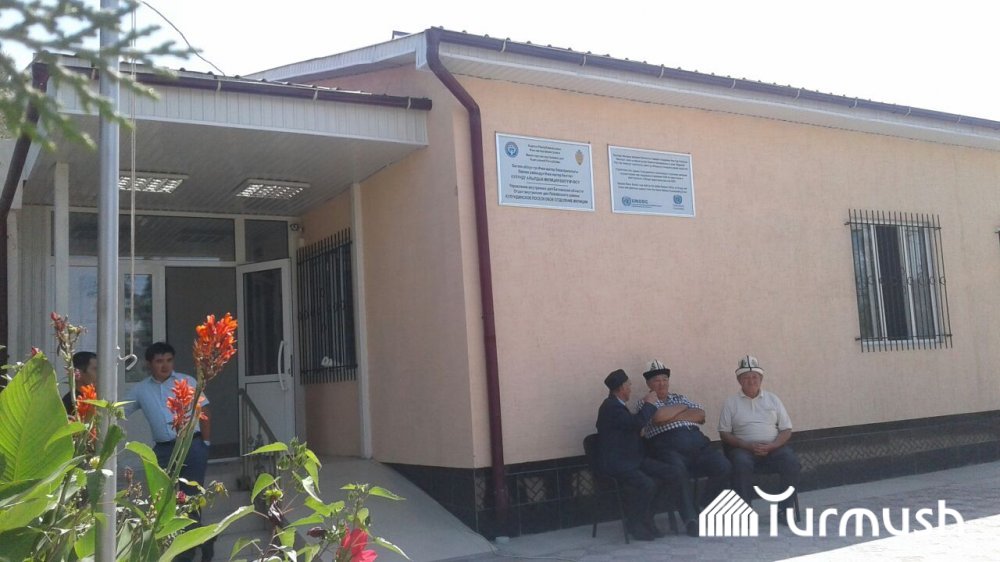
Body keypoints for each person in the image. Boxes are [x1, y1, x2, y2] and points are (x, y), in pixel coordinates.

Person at [123, 342, 213, 561]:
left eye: (169, 360)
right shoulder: (141, 389)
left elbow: (204, 410)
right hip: (163, 450)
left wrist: (205, 443)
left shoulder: (187, 381)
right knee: (164, 499)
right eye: (159, 361)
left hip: (191, 445)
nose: (165, 366)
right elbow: (121, 410)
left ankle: (189, 552)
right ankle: (199, 540)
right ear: (149, 364)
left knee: (190, 498)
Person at [595, 369, 689, 540]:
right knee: (647, 484)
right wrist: (650, 404)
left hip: (634, 458)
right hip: (620, 463)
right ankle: (635, 523)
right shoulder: (610, 407)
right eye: (629, 386)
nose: (630, 389)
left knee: (673, 473)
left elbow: (628, 427)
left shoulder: (617, 406)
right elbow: (637, 422)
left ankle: (647, 517)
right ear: (621, 388)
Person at [641, 359, 731, 521]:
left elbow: (700, 414)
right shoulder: (645, 402)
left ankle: (706, 503)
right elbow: (658, 417)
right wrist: (683, 409)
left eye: (665, 379)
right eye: (656, 380)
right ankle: (691, 519)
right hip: (668, 448)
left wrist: (671, 416)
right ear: (649, 383)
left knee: (723, 465)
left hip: (698, 445)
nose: (662, 384)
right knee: (678, 472)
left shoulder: (679, 397)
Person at [718, 355, 801, 521]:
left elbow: (786, 429)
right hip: (744, 449)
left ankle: (785, 511)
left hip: (773, 449)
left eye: (755, 377)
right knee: (740, 463)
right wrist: (746, 445)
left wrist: (773, 445)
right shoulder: (730, 402)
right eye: (746, 378)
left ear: (761, 379)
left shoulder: (773, 399)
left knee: (792, 462)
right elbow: (724, 433)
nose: (751, 381)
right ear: (739, 381)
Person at [63, 351, 97, 415]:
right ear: (76, 374)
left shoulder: (100, 398)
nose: (101, 374)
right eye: (96, 369)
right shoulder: (69, 405)